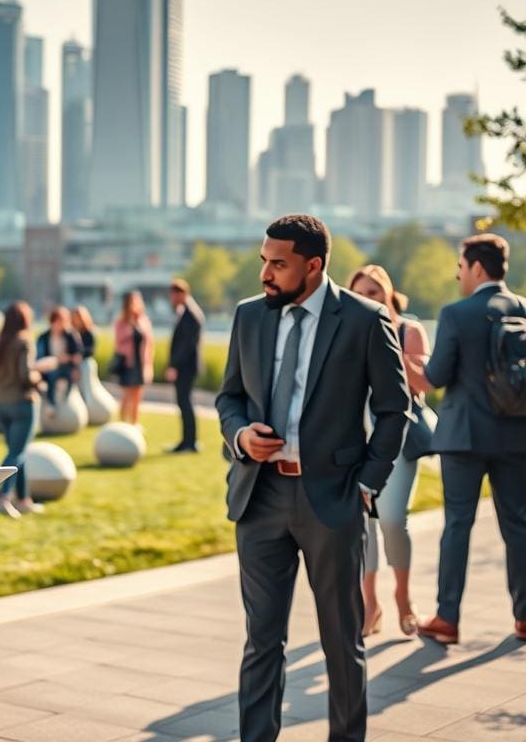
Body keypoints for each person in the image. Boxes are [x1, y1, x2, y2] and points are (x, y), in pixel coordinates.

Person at [216, 214, 409, 742]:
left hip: (333, 497)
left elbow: (396, 410)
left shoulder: (366, 321)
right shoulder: (249, 316)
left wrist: (367, 483)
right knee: (262, 640)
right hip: (259, 497)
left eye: (278, 264)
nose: (266, 274)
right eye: (264, 261)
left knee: (341, 640)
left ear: (313, 265)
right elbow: (229, 396)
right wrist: (241, 437)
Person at [413, 233, 526, 645]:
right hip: (516, 436)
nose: (458, 275)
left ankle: (447, 619)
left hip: (464, 437)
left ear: (476, 267)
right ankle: (525, 617)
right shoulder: (524, 310)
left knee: (458, 524)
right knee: (518, 525)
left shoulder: (457, 313)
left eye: (460, 267)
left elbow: (437, 376)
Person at [348, 265, 430, 638]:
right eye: (360, 293)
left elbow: (424, 384)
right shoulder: (342, 333)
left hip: (396, 440)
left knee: (392, 520)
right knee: (360, 525)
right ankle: (370, 605)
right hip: (352, 440)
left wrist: (388, 347)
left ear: (388, 296)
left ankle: (402, 595)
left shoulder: (408, 331)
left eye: (375, 293)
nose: (367, 299)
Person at [0, 301, 45, 518]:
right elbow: (26, 376)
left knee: (17, 452)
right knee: (16, 453)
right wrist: (40, 378)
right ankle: (1, 496)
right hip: (22, 403)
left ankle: (24, 499)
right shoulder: (24, 341)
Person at [164, 279, 204, 453]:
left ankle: (190, 442)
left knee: (185, 403)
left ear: (181, 294)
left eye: (173, 294)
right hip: (185, 367)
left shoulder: (190, 314)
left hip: (185, 368)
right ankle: (187, 441)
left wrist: (174, 366)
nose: (171, 298)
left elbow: (187, 345)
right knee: (184, 403)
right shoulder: (187, 311)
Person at [113, 290, 154, 425]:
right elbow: (119, 342)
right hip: (127, 363)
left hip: (140, 363)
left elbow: (149, 343)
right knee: (126, 396)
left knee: (137, 395)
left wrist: (149, 364)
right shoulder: (121, 321)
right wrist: (130, 323)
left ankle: (134, 423)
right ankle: (123, 423)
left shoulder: (144, 320)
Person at [35, 306, 83, 409]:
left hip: (65, 368)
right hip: (47, 367)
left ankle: (55, 404)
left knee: (54, 374)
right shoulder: (43, 337)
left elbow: (78, 355)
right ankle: (47, 404)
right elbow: (39, 357)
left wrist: (68, 359)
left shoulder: (71, 336)